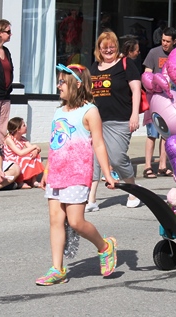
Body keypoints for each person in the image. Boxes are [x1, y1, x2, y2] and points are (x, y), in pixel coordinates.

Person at [35, 63, 117, 286]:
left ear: (77, 84)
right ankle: (57, 269)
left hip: (78, 172)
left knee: (76, 222)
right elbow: (54, 144)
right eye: (58, 81)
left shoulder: (89, 111)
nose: (58, 85)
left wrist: (107, 174)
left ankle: (104, 246)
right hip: (57, 172)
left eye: (62, 81)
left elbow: (99, 144)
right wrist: (46, 170)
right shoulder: (58, 111)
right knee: (55, 220)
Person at [87, 30, 141, 212]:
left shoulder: (126, 64)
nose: (108, 50)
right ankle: (91, 198)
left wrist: (135, 115)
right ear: (99, 48)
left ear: (116, 47)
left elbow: (136, 91)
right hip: (97, 120)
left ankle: (133, 188)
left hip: (120, 120)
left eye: (111, 46)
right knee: (94, 159)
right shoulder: (94, 67)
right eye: (104, 47)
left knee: (117, 158)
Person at [142, 27, 176, 179]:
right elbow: (146, 74)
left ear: (174, 42)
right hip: (154, 98)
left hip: (169, 99)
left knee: (166, 134)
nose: (165, 44)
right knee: (152, 133)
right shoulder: (153, 53)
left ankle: (163, 165)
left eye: (168, 41)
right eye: (163, 40)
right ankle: (148, 166)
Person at [2, 117, 45, 189]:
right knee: (24, 158)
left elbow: (37, 148)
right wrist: (34, 147)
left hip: (18, 157)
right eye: (24, 125)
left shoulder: (23, 139)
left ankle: (33, 180)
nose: (26, 127)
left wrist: (35, 151)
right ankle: (20, 182)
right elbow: (20, 153)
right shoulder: (9, 139)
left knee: (34, 155)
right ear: (17, 129)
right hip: (10, 160)